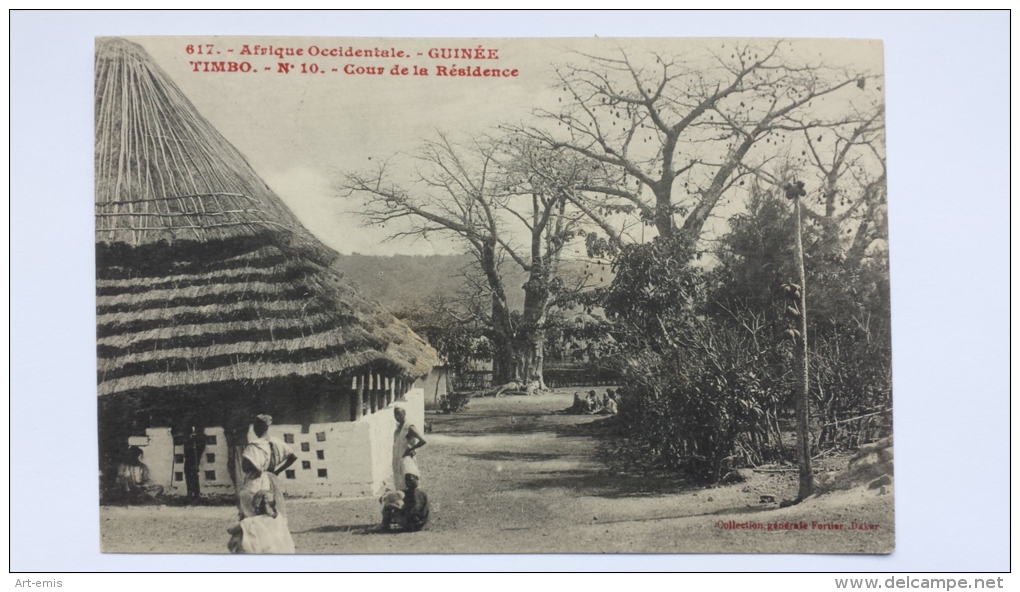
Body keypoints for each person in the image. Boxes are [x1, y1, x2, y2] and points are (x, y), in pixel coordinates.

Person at [231, 414, 298, 554]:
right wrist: (277, 471)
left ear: (256, 427)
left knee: (253, 516)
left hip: (256, 483)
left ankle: (255, 546)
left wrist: (256, 469)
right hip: (272, 482)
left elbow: (249, 466)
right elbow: (293, 456)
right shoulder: (276, 442)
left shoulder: (254, 446)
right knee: (273, 515)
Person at [392, 406, 426, 490]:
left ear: (404, 414)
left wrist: (411, 449)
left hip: (407, 458)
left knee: (410, 479)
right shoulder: (398, 428)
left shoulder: (409, 427)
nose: (397, 417)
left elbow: (422, 440)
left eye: (399, 414)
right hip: (398, 458)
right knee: (400, 483)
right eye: (395, 415)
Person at [183, 426, 206, 502]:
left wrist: (197, 436)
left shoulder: (198, 418)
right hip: (188, 444)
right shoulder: (185, 419)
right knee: (187, 469)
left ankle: (196, 493)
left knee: (194, 469)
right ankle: (189, 491)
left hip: (198, 444)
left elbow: (201, 433)